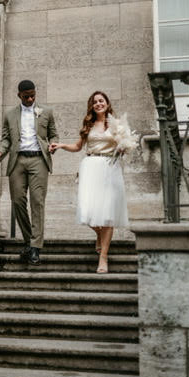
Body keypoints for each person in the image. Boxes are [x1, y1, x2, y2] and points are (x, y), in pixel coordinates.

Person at [49, 91, 129, 274]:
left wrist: (124, 148)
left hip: (110, 168)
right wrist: (61, 145)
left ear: (107, 103)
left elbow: (123, 145)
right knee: (87, 210)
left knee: (108, 213)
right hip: (91, 167)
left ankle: (103, 258)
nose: (98, 104)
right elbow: (78, 146)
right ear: (92, 106)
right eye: (95, 102)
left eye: (101, 101)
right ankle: (100, 235)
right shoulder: (89, 124)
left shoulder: (116, 124)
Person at [0, 80, 59, 265]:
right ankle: (30, 240)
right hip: (18, 160)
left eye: (33, 95)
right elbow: (6, 139)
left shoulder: (46, 112)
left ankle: (35, 247)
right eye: (26, 96)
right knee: (17, 201)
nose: (30, 99)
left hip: (39, 159)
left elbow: (54, 133)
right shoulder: (9, 114)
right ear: (19, 96)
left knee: (37, 202)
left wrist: (53, 144)